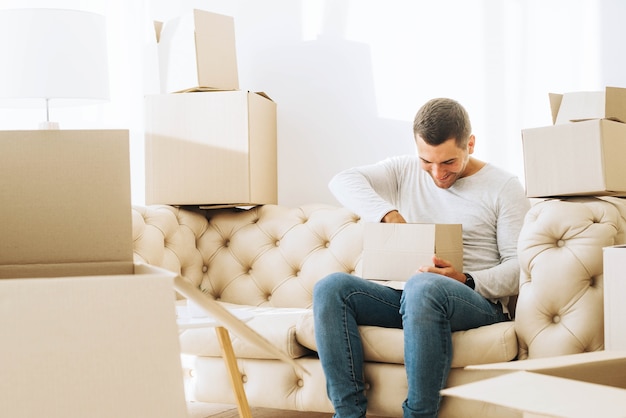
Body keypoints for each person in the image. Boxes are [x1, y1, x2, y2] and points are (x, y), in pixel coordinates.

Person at [313, 98, 530, 418]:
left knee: (423, 287)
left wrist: (465, 278)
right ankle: (347, 414)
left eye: (449, 162)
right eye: (427, 161)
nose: (437, 174)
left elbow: (519, 269)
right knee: (331, 288)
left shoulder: (504, 187)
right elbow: (342, 180)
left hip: (474, 301)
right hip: (409, 295)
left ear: (470, 143)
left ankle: (418, 415)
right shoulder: (405, 170)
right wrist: (388, 214)